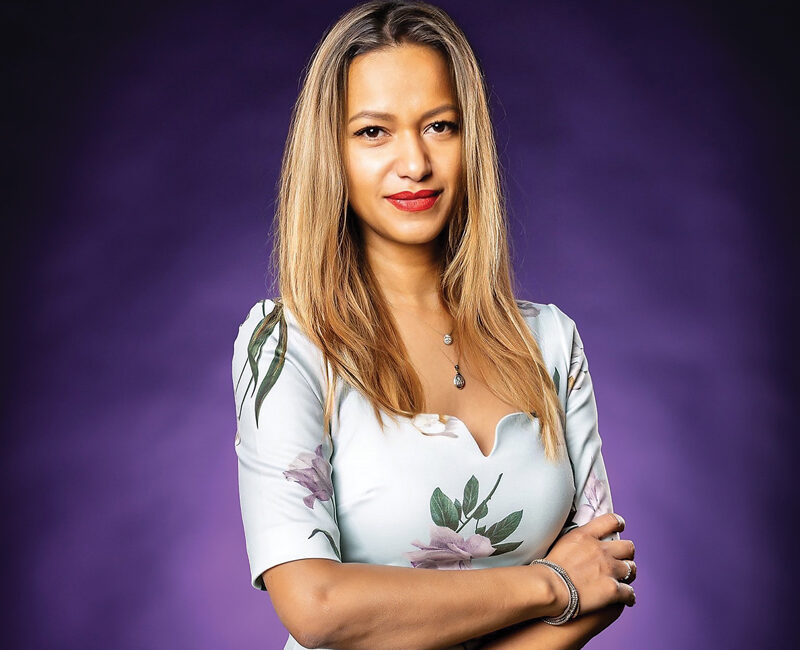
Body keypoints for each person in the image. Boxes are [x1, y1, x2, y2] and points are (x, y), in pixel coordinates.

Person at [231, 1, 637, 648]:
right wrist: (548, 584)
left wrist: (573, 582)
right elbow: (314, 605)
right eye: (374, 131)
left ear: (470, 140)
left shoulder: (551, 342)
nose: (415, 162)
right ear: (331, 152)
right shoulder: (289, 345)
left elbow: (603, 573)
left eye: (440, 126)